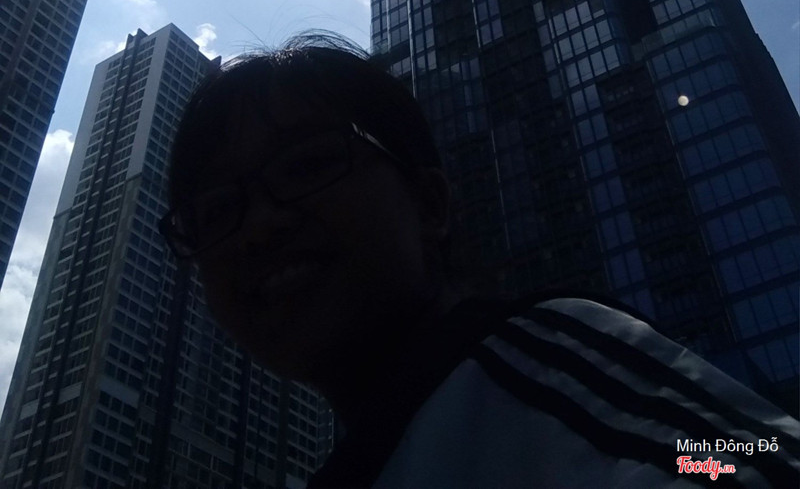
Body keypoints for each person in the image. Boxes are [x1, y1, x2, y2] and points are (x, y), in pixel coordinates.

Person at [160, 34, 800, 488]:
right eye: (215, 212)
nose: (259, 226)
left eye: (306, 165)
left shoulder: (551, 360)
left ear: (428, 203)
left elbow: (750, 457)